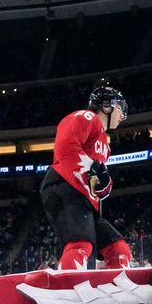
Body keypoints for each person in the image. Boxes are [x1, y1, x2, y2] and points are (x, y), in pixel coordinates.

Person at [39, 86, 133, 270]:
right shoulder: (86, 117)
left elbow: (98, 185)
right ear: (107, 106)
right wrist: (94, 168)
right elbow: (65, 148)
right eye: (120, 108)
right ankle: (66, 290)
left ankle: (116, 291)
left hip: (83, 198)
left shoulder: (105, 144)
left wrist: (104, 184)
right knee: (80, 245)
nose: (122, 115)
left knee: (118, 248)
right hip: (64, 185)